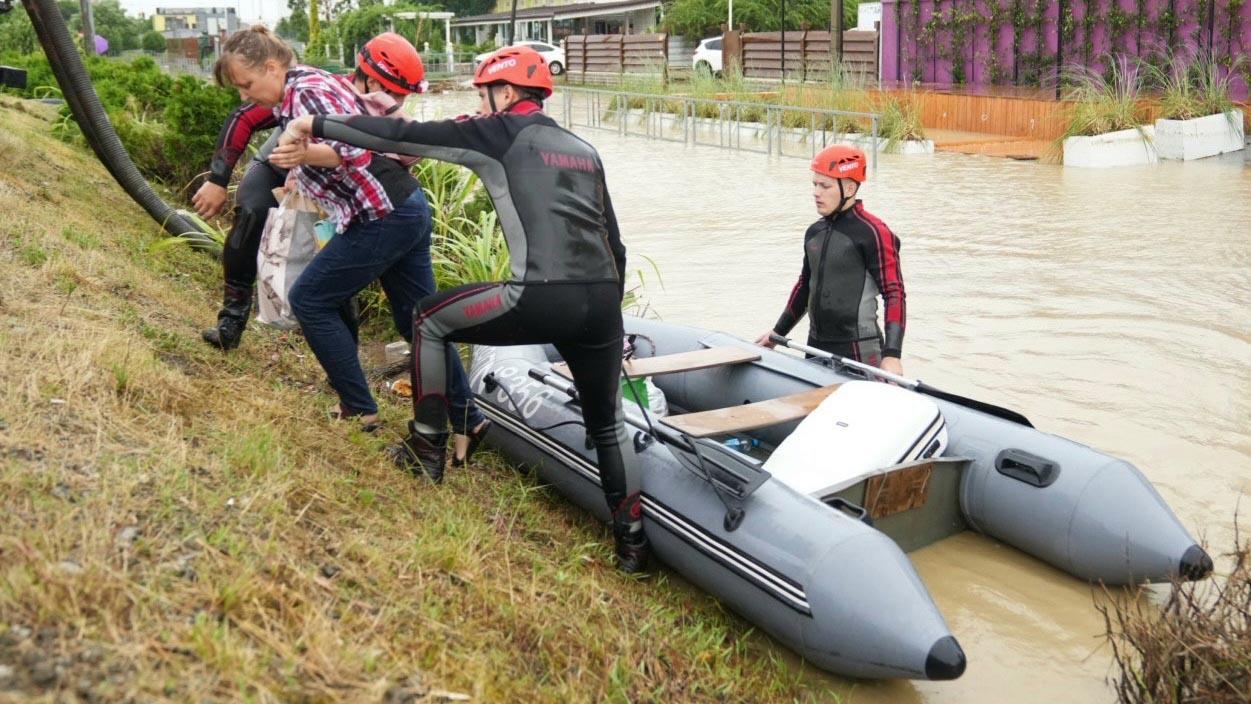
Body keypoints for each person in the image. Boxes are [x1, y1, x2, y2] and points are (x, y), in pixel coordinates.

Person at [280, 46, 650, 573]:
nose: (479, 105)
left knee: (429, 318)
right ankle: (632, 544)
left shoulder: (497, 133)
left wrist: (313, 120)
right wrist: (608, 312)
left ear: (504, 92)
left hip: (541, 294)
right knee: (608, 424)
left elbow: (400, 137)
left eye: (483, 94)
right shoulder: (584, 149)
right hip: (603, 303)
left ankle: (426, 450)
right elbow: (614, 242)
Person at [213, 26, 489, 461]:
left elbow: (354, 151)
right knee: (418, 324)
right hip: (402, 207)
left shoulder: (306, 92)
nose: (247, 96)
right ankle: (470, 419)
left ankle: (358, 407)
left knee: (311, 299)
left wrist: (303, 155)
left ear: (271, 67)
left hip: (383, 213)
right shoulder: (298, 90)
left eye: (248, 84)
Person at [755, 144, 906, 376]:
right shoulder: (814, 233)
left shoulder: (874, 232)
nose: (816, 192)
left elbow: (894, 293)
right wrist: (777, 333)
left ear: (849, 187)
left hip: (860, 351)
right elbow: (805, 287)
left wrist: (892, 354)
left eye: (825, 185)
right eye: (814, 184)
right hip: (815, 346)